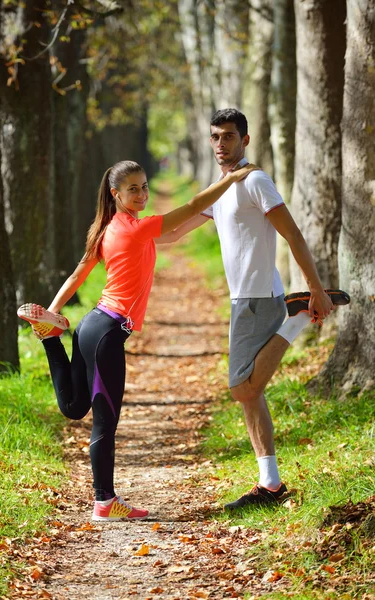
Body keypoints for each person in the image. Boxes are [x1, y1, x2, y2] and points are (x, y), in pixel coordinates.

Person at [17, 159, 257, 522]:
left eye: (145, 186)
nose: (143, 194)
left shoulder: (108, 228)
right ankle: (105, 501)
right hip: (107, 334)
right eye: (134, 189)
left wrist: (53, 310)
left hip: (89, 327)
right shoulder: (135, 228)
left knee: (73, 408)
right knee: (104, 421)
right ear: (116, 193)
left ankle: (52, 337)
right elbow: (187, 208)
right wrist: (232, 178)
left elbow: (84, 271)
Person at [159, 108, 350, 510]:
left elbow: (293, 234)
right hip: (243, 298)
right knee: (251, 394)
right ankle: (271, 485)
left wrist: (315, 290)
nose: (220, 144)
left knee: (241, 387)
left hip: (259, 297)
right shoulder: (223, 187)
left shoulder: (255, 181)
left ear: (245, 140)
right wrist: (126, 230)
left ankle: (296, 319)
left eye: (228, 136)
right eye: (215, 137)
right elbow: (175, 233)